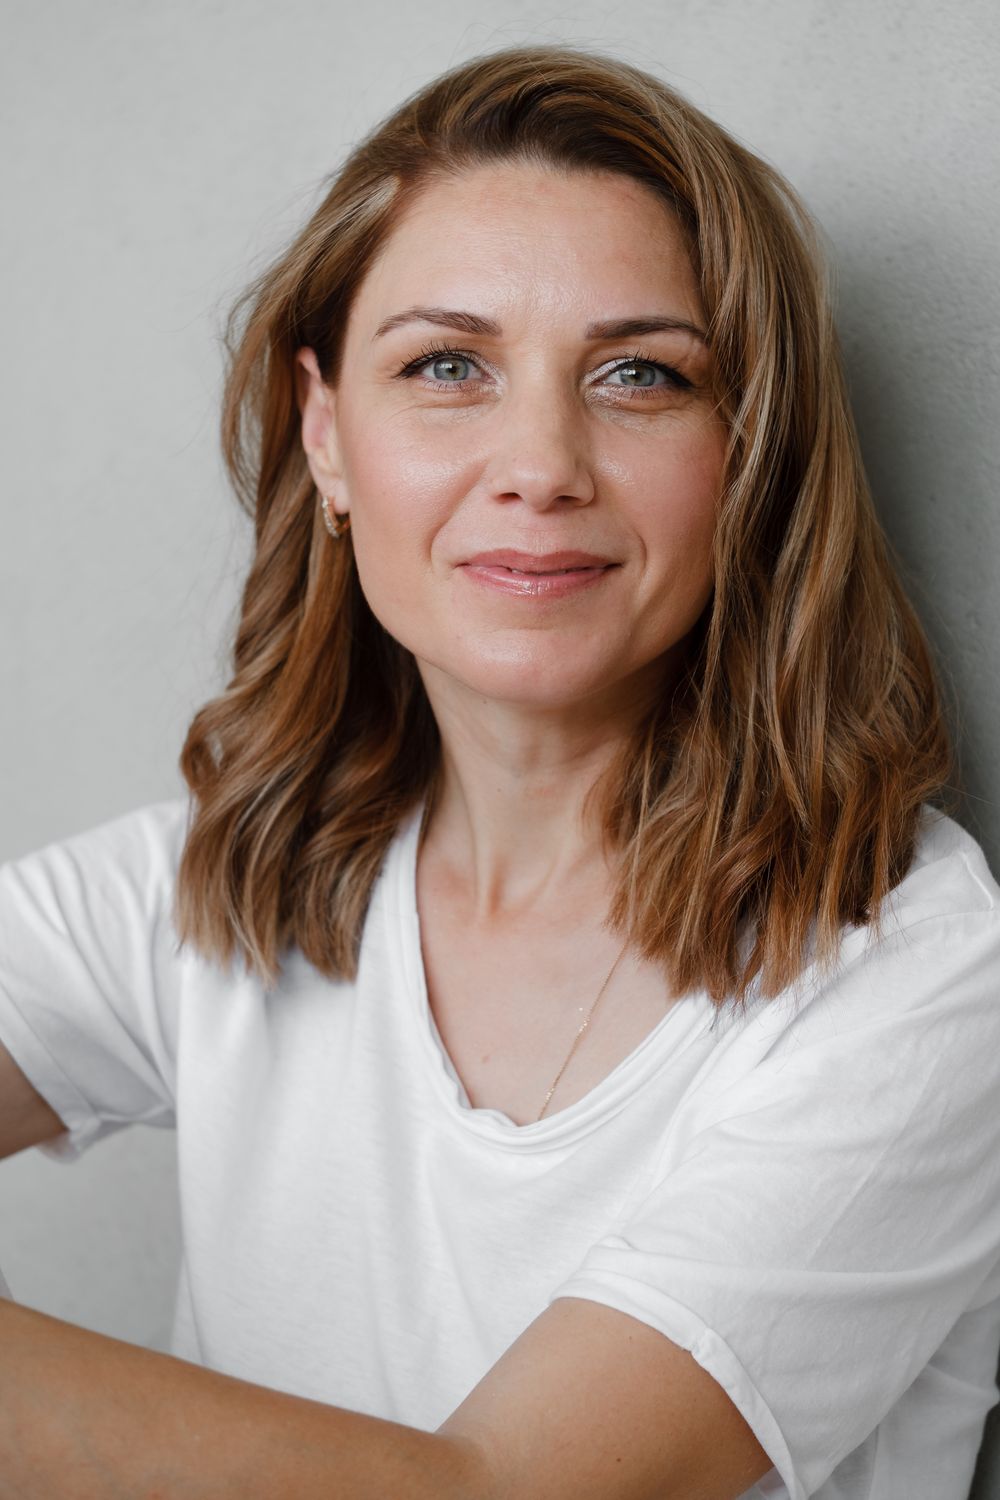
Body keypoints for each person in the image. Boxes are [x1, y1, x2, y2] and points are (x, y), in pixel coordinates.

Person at [1, 41, 999, 1500]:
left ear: (753, 457)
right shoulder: (209, 885)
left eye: (641, 375)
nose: (541, 461)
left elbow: (491, 1494)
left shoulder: (916, 975)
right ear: (328, 435)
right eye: (447, 366)